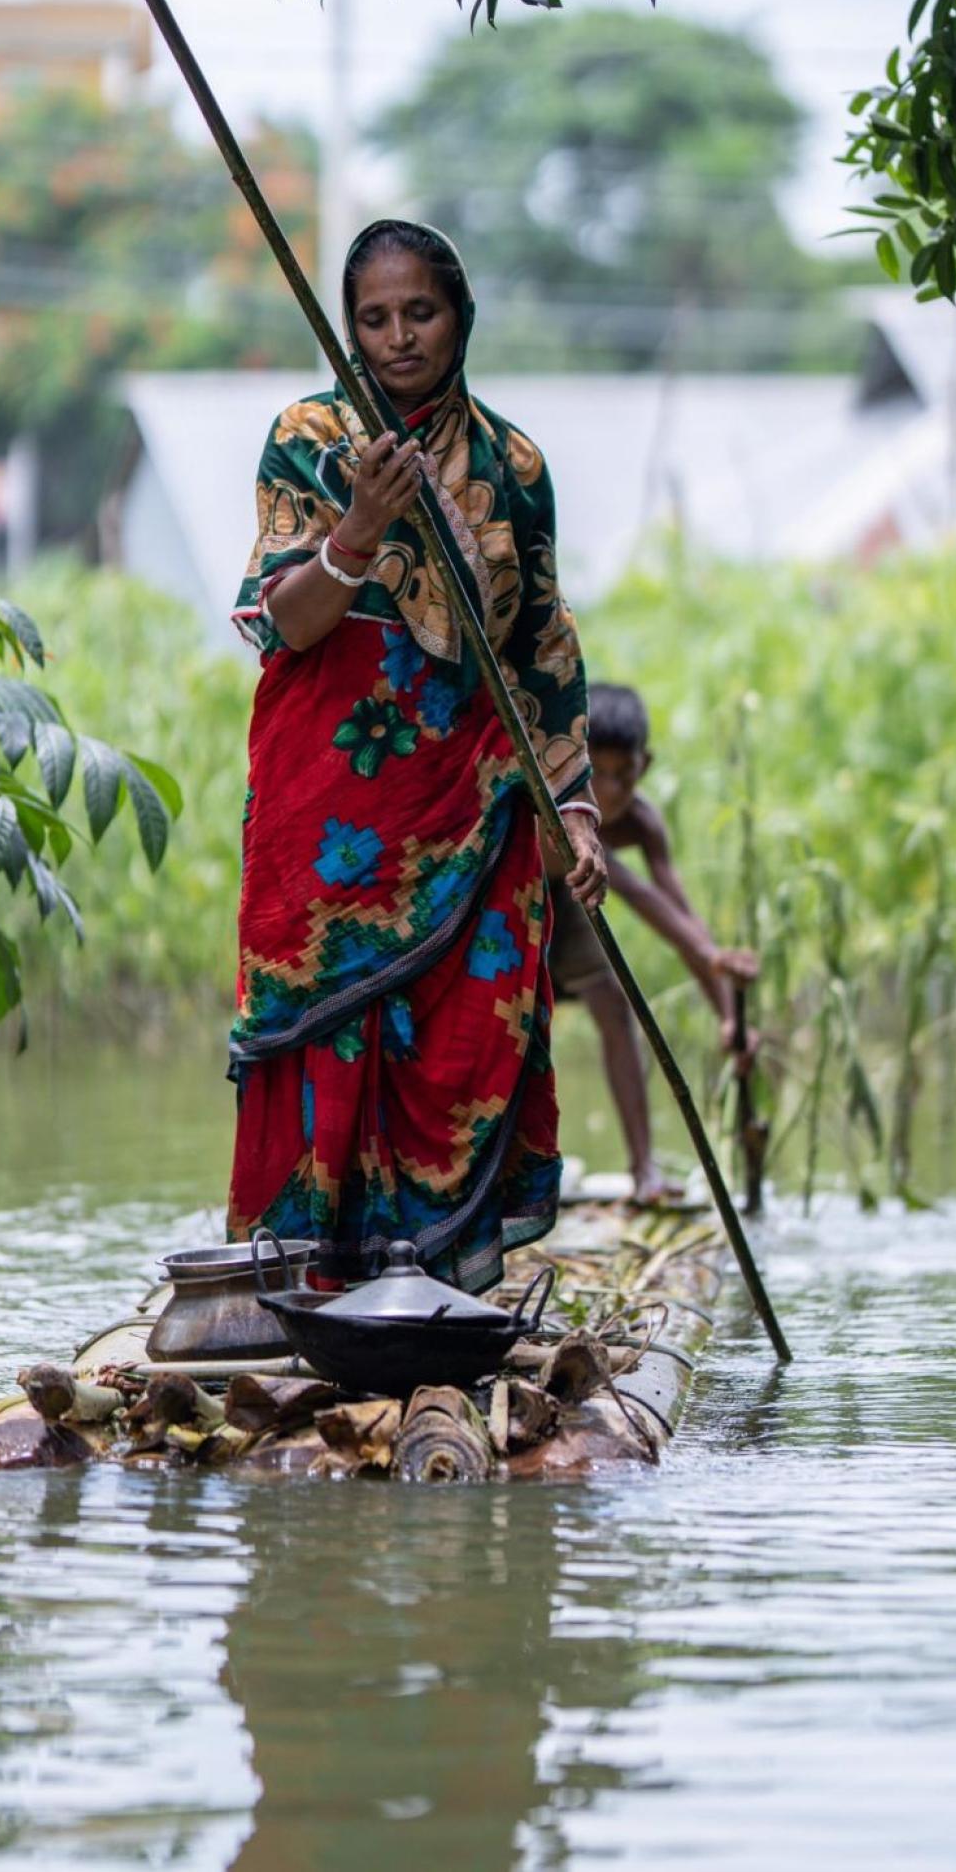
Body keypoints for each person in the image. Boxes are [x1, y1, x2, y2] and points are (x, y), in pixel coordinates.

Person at [226, 217, 605, 1294]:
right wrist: (357, 528)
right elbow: (284, 622)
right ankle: (311, 1281)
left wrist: (573, 809)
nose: (397, 339)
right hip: (332, 790)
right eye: (373, 319)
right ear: (346, 329)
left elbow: (540, 640)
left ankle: (441, 1276)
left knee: (463, 1025)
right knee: (329, 1025)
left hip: (474, 792)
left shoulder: (512, 463)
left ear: (460, 317)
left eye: (419, 313)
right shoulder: (308, 435)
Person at [549, 682, 758, 1205]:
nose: (612, 792)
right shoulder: (561, 807)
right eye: (600, 774)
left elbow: (680, 912)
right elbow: (638, 894)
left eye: (626, 775)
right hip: (518, 903)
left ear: (648, 765)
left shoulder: (642, 823)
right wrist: (712, 957)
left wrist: (730, 1015)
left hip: (576, 909)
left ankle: (643, 1170)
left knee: (613, 1006)